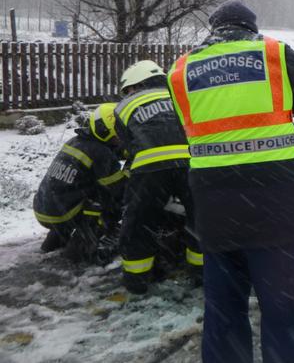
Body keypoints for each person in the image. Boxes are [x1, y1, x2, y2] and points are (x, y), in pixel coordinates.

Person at [166, 1, 294, 363]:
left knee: (223, 312)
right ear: (250, 27)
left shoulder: (181, 69)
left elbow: (187, 129)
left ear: (213, 29)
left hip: (215, 216)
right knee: (282, 312)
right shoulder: (274, 54)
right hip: (272, 212)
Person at [113, 60, 203, 294]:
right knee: (200, 218)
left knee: (138, 222)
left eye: (128, 89)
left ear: (135, 83)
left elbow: (128, 146)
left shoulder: (123, 106)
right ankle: (201, 271)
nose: (129, 93)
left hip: (148, 171)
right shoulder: (182, 97)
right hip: (191, 164)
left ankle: (137, 279)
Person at [33, 103, 126, 264]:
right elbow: (120, 189)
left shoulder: (76, 141)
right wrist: (132, 173)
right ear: (103, 131)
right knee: (107, 203)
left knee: (80, 194)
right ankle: (77, 251)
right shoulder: (101, 153)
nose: (119, 140)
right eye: (116, 136)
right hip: (64, 213)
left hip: (44, 208)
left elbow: (105, 153)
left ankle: (53, 242)